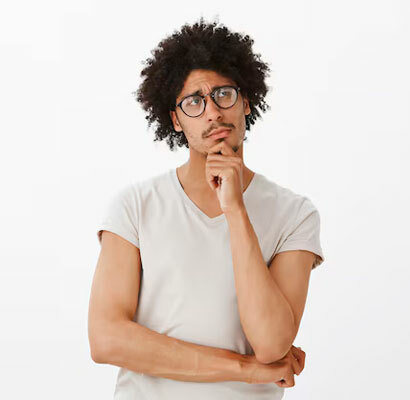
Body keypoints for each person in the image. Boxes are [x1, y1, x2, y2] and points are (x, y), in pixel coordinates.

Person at [87, 18, 325, 399]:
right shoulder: (134, 207)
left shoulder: (295, 215)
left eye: (223, 94)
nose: (212, 112)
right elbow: (106, 339)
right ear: (175, 120)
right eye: (194, 102)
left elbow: (270, 344)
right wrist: (245, 369)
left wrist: (235, 210)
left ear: (246, 101)